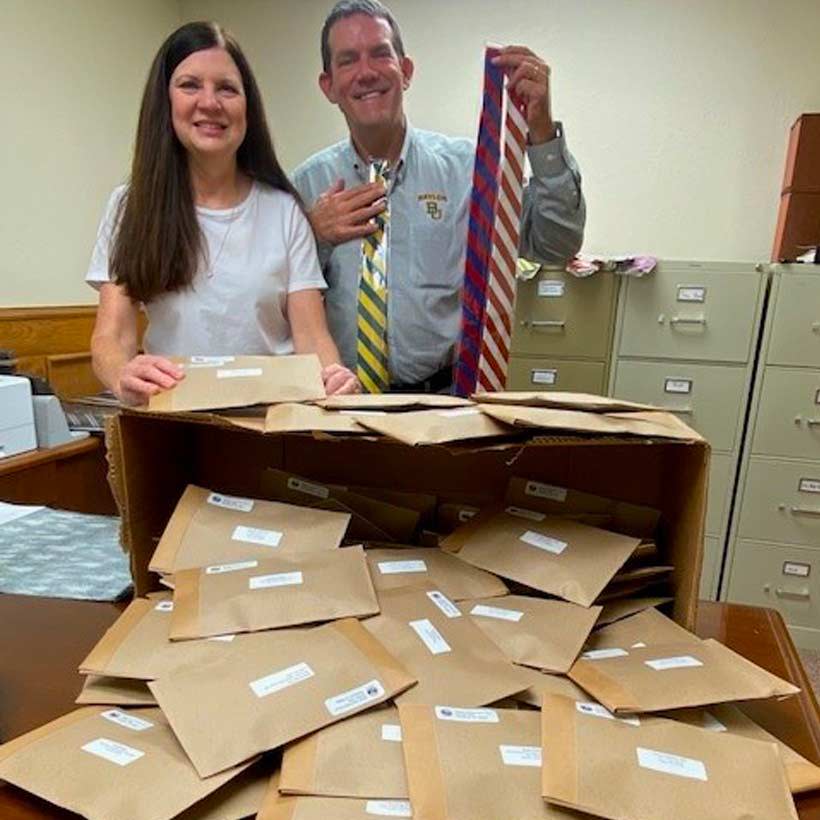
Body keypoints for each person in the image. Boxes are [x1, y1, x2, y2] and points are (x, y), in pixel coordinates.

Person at [292, 0, 586, 393]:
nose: (366, 72)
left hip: (444, 406)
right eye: (348, 60)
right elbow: (274, 298)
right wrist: (312, 234)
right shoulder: (306, 187)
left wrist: (542, 134)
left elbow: (555, 243)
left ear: (406, 71)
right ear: (328, 85)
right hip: (341, 407)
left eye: (380, 53)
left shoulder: (468, 171)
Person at [87, 21, 359, 406]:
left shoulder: (284, 211)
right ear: (164, 101)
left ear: (248, 107)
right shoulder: (129, 207)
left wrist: (335, 378)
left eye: (227, 88)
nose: (210, 103)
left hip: (273, 424)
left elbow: (312, 339)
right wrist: (120, 373)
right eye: (190, 85)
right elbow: (111, 336)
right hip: (175, 423)